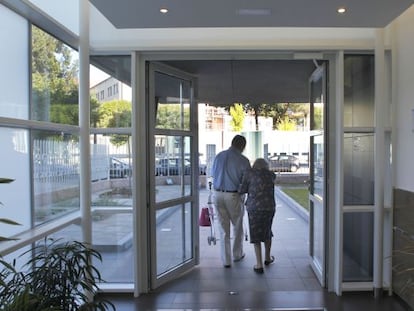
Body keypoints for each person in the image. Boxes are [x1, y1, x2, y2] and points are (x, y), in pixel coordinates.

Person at [211, 135, 251, 268]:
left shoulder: (219, 156)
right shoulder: (243, 160)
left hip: (217, 194)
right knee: (237, 226)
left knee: (223, 228)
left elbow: (212, 173)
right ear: (242, 146)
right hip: (233, 195)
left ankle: (226, 260)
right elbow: (246, 181)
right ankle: (237, 254)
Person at [239, 158, 276, 274]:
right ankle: (268, 258)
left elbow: (242, 190)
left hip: (254, 208)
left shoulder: (249, 174)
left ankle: (259, 264)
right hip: (269, 207)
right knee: (267, 231)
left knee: (255, 234)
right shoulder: (271, 175)